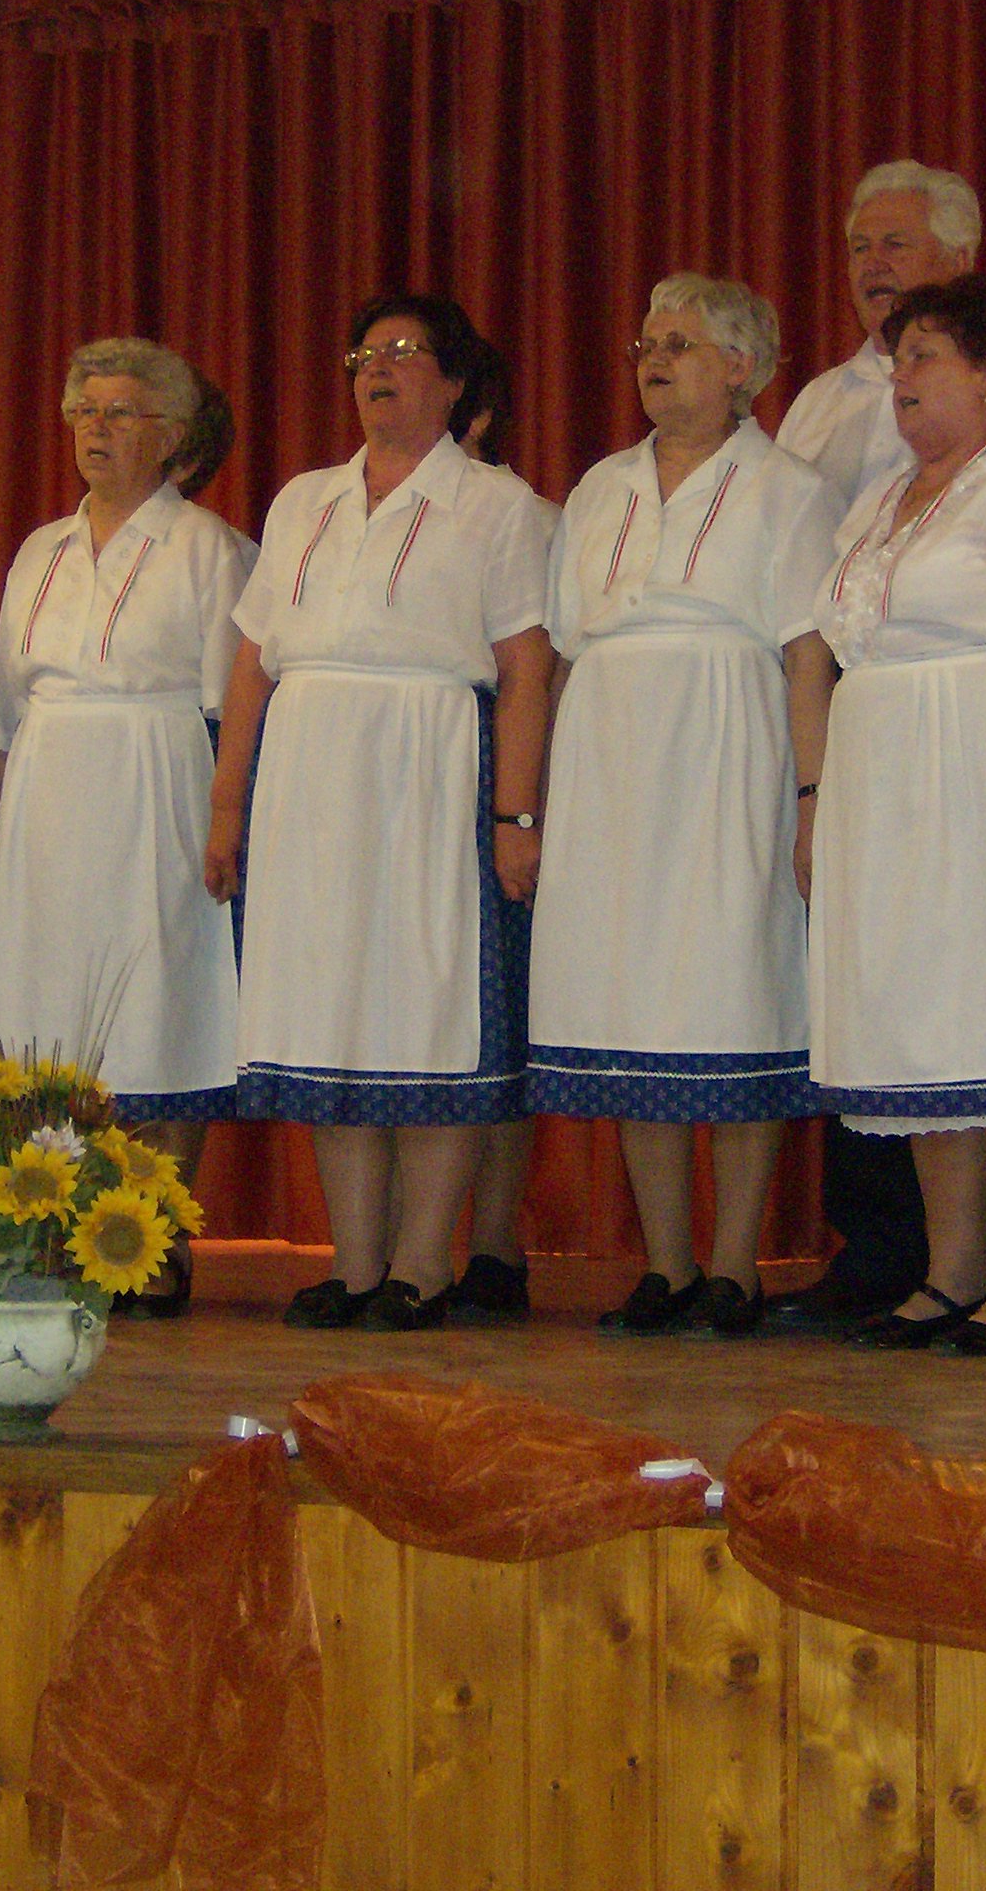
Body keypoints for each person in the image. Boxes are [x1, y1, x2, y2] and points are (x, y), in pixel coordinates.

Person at [770, 157, 986, 1332]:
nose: (900, 378)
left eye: (923, 358)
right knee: (920, 1021)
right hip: (886, 781)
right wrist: (818, 798)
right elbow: (820, 647)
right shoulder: (880, 504)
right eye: (899, 359)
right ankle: (949, 1267)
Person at [207, 294, 554, 1331]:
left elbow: (524, 669)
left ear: (453, 382)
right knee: (331, 1012)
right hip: (307, 777)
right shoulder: (303, 499)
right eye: (365, 352)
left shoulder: (498, 504)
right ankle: (354, 1265)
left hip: (431, 766)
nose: (378, 368)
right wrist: (227, 803)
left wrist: (515, 817)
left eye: (405, 352)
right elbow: (252, 663)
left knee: (428, 1009)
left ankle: (422, 1265)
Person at [532, 275, 837, 1336]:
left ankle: (734, 1265)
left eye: (680, 344)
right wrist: (536, 801)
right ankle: (664, 1264)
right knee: (631, 1007)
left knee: (733, 991)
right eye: (646, 344)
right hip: (608, 758)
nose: (654, 361)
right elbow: (560, 652)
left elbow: (807, 654)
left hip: (728, 746)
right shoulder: (600, 487)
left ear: (742, 367)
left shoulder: (790, 488)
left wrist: (812, 798)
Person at [0, 339, 253, 1319]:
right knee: (42, 1009)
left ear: (170, 435)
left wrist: (222, 823)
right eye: (84, 410)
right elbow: (3, 716)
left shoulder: (210, 549)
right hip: (46, 795)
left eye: (120, 412)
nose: (95, 428)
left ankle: (151, 1242)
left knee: (158, 1006)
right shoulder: (38, 551)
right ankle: (51, 1233)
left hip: (158, 785)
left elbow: (233, 709)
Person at [440, 337, 540, 1323]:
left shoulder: (521, 515)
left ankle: (495, 1240)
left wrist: (522, 809)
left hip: (498, 783)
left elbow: (536, 673)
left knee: (494, 1018)